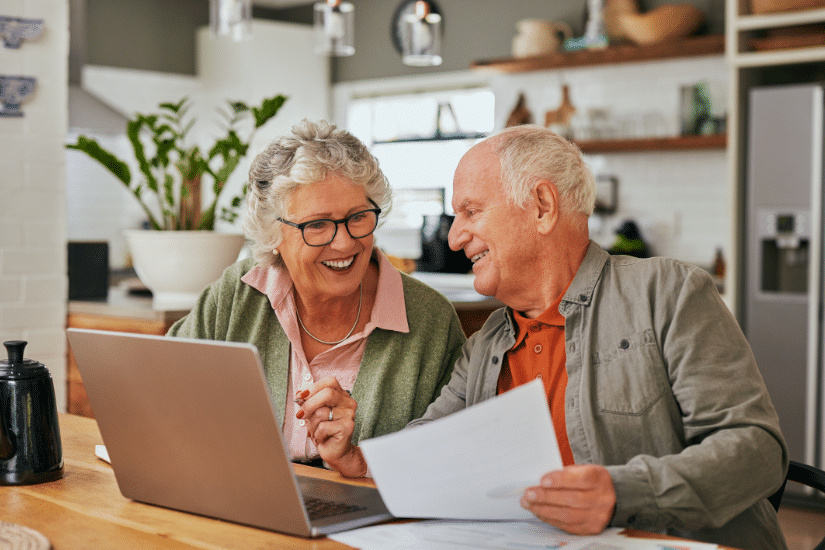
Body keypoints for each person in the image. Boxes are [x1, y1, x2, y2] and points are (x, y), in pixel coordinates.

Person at [408, 124, 789, 550]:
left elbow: (756, 453)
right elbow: (424, 448)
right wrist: (359, 459)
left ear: (541, 206)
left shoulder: (668, 293)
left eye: (471, 211)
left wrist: (620, 492)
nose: (455, 237)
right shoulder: (487, 342)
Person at [168, 119, 466, 478]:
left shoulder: (430, 319)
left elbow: (455, 461)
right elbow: (161, 392)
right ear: (272, 233)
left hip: (375, 527)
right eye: (317, 225)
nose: (343, 243)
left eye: (357, 217)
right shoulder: (238, 293)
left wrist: (357, 458)